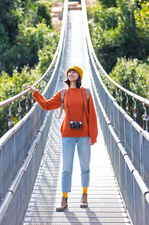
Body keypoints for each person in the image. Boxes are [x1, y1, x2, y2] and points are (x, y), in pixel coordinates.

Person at [28, 66, 98, 212]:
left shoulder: (86, 93)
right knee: (66, 168)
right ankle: (64, 198)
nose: (71, 74)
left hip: (84, 134)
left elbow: (92, 115)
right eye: (69, 72)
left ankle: (84, 194)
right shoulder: (63, 93)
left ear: (79, 76)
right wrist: (36, 94)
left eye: (74, 72)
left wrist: (93, 136)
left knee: (85, 167)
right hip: (67, 134)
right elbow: (47, 105)